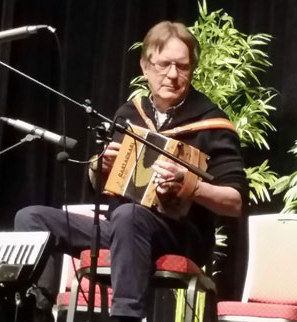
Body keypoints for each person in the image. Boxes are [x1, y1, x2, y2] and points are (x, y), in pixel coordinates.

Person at [15, 21, 247, 322]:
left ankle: (125, 317)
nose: (173, 75)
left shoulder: (213, 123)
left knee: (129, 215)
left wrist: (191, 185)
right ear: (145, 66)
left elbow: (236, 202)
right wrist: (100, 169)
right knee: (31, 217)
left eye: (183, 66)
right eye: (164, 65)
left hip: (180, 235)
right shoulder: (128, 114)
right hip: (121, 229)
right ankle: (37, 309)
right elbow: (101, 186)